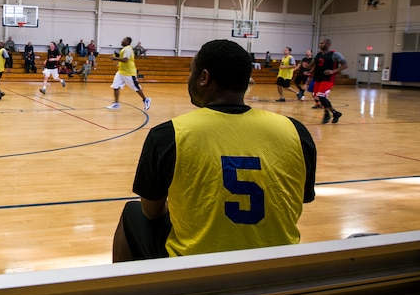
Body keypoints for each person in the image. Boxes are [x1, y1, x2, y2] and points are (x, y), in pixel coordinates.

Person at [112, 39, 317, 263]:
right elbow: (302, 199)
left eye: (192, 72)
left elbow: (152, 212)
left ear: (203, 77)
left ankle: (124, 293)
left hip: (197, 267)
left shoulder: (168, 135)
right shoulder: (297, 132)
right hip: (279, 264)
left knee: (132, 213)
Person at [106, 37, 151, 111]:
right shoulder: (125, 49)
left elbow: (125, 59)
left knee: (135, 87)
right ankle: (116, 104)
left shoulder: (127, 49)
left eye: (124, 40)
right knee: (115, 86)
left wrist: (115, 58)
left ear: (128, 42)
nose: (122, 40)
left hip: (129, 73)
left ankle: (146, 100)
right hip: (121, 71)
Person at [311, 38, 349, 124]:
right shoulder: (318, 55)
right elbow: (313, 65)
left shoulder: (335, 54)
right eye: (320, 43)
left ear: (328, 45)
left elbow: (345, 65)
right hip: (318, 78)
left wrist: (333, 71)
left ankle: (327, 114)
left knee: (322, 96)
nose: (320, 44)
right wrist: (308, 69)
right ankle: (335, 113)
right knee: (317, 97)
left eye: (322, 43)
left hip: (327, 79)